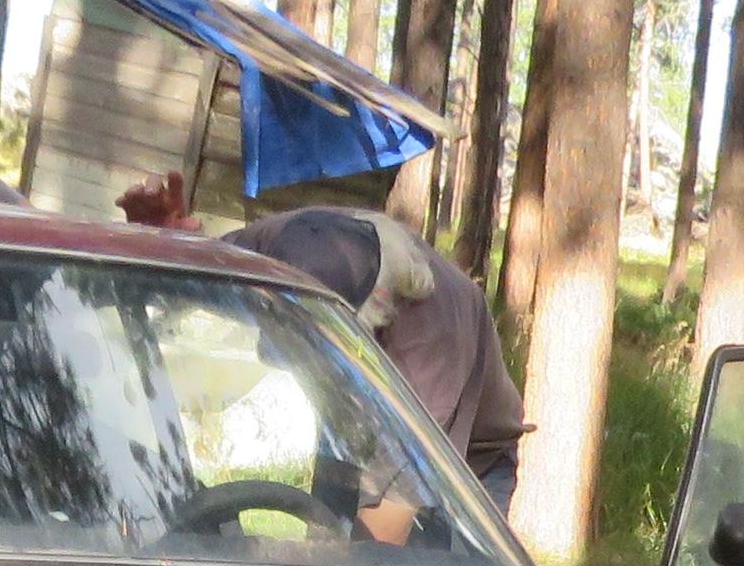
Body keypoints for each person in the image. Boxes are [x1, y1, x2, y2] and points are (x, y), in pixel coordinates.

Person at [119, 173, 526, 511]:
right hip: (350, 418)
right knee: (326, 534)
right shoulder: (281, 243)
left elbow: (395, 508)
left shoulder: (430, 346)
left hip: (468, 463)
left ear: (374, 310)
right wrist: (167, 241)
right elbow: (199, 273)